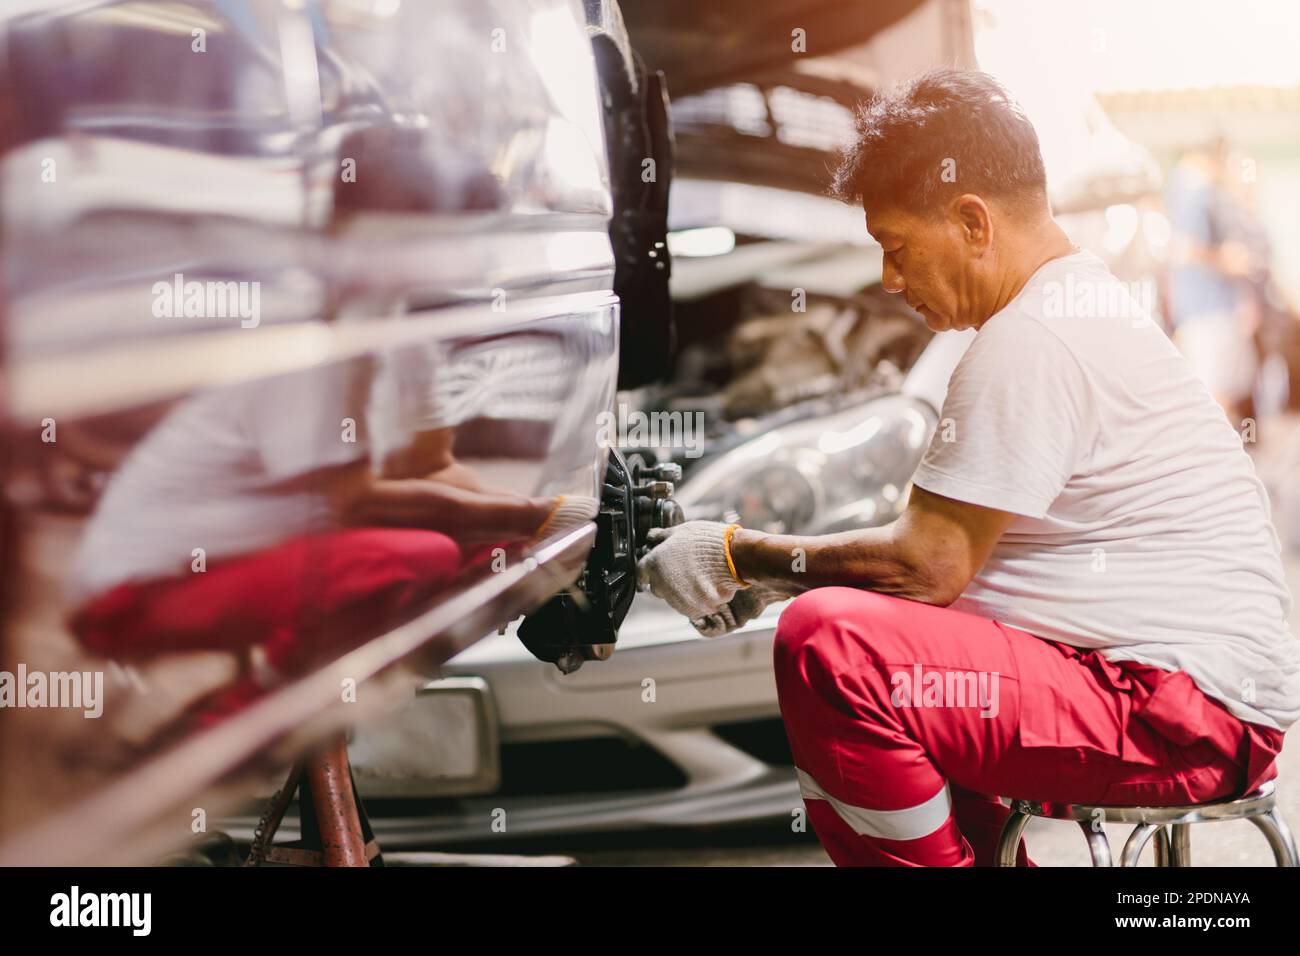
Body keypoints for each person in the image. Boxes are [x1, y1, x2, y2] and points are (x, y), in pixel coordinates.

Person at [637, 69, 1300, 867]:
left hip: (1178, 714)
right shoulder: (1066, 308)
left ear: (972, 222)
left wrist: (737, 554)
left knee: (832, 648)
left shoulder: (1033, 338)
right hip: (1188, 700)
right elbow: (943, 575)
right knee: (897, 640)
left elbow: (927, 565)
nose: (889, 279)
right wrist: (777, 577)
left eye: (896, 248)